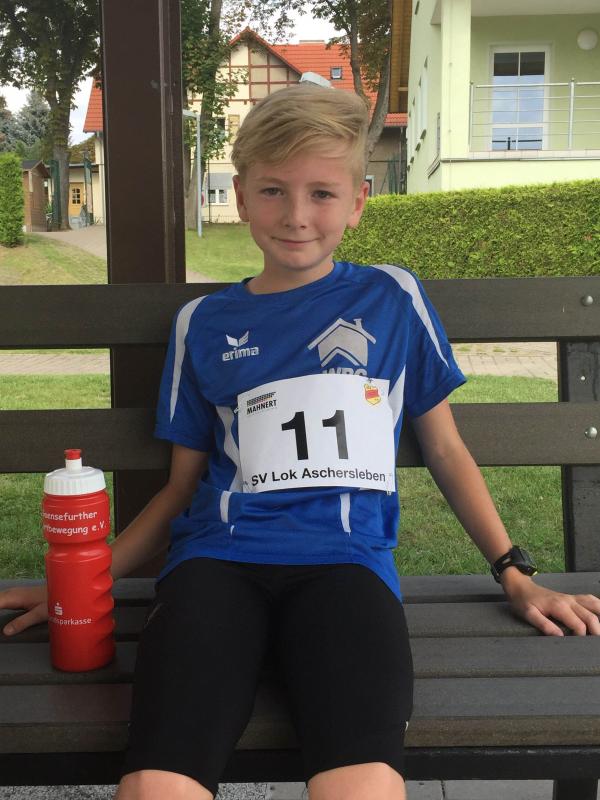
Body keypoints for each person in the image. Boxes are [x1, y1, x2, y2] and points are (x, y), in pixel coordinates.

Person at [1, 81, 600, 800]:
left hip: (345, 567)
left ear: (357, 202)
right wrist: (82, 584)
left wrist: (513, 570)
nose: (296, 215)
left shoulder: (391, 297)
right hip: (217, 567)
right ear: (241, 197)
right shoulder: (203, 323)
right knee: (158, 781)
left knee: (362, 782)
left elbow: (445, 450)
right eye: (272, 191)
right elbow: (181, 489)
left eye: (321, 193)